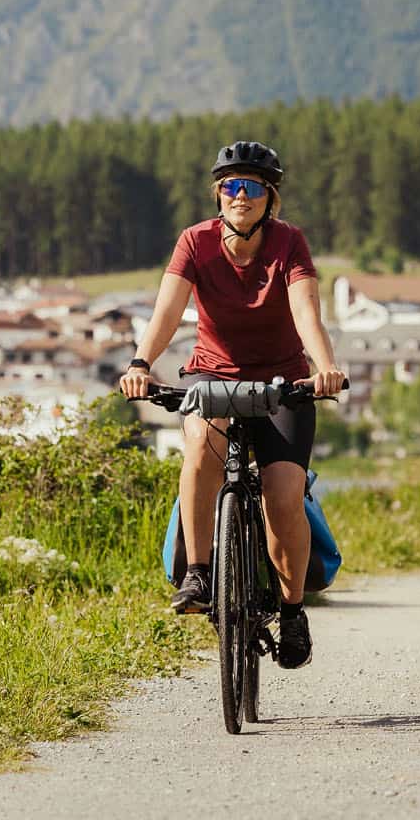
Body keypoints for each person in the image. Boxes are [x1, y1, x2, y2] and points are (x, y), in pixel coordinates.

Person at [118, 140, 347, 668]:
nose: (240, 195)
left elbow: (306, 310)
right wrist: (139, 363)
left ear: (270, 198)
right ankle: (199, 572)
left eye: (252, 187)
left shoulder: (289, 243)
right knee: (199, 446)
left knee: (283, 493)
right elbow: (167, 312)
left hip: (284, 381)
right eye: (230, 186)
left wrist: (323, 367)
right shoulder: (194, 242)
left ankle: (291, 611)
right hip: (212, 373)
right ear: (218, 195)